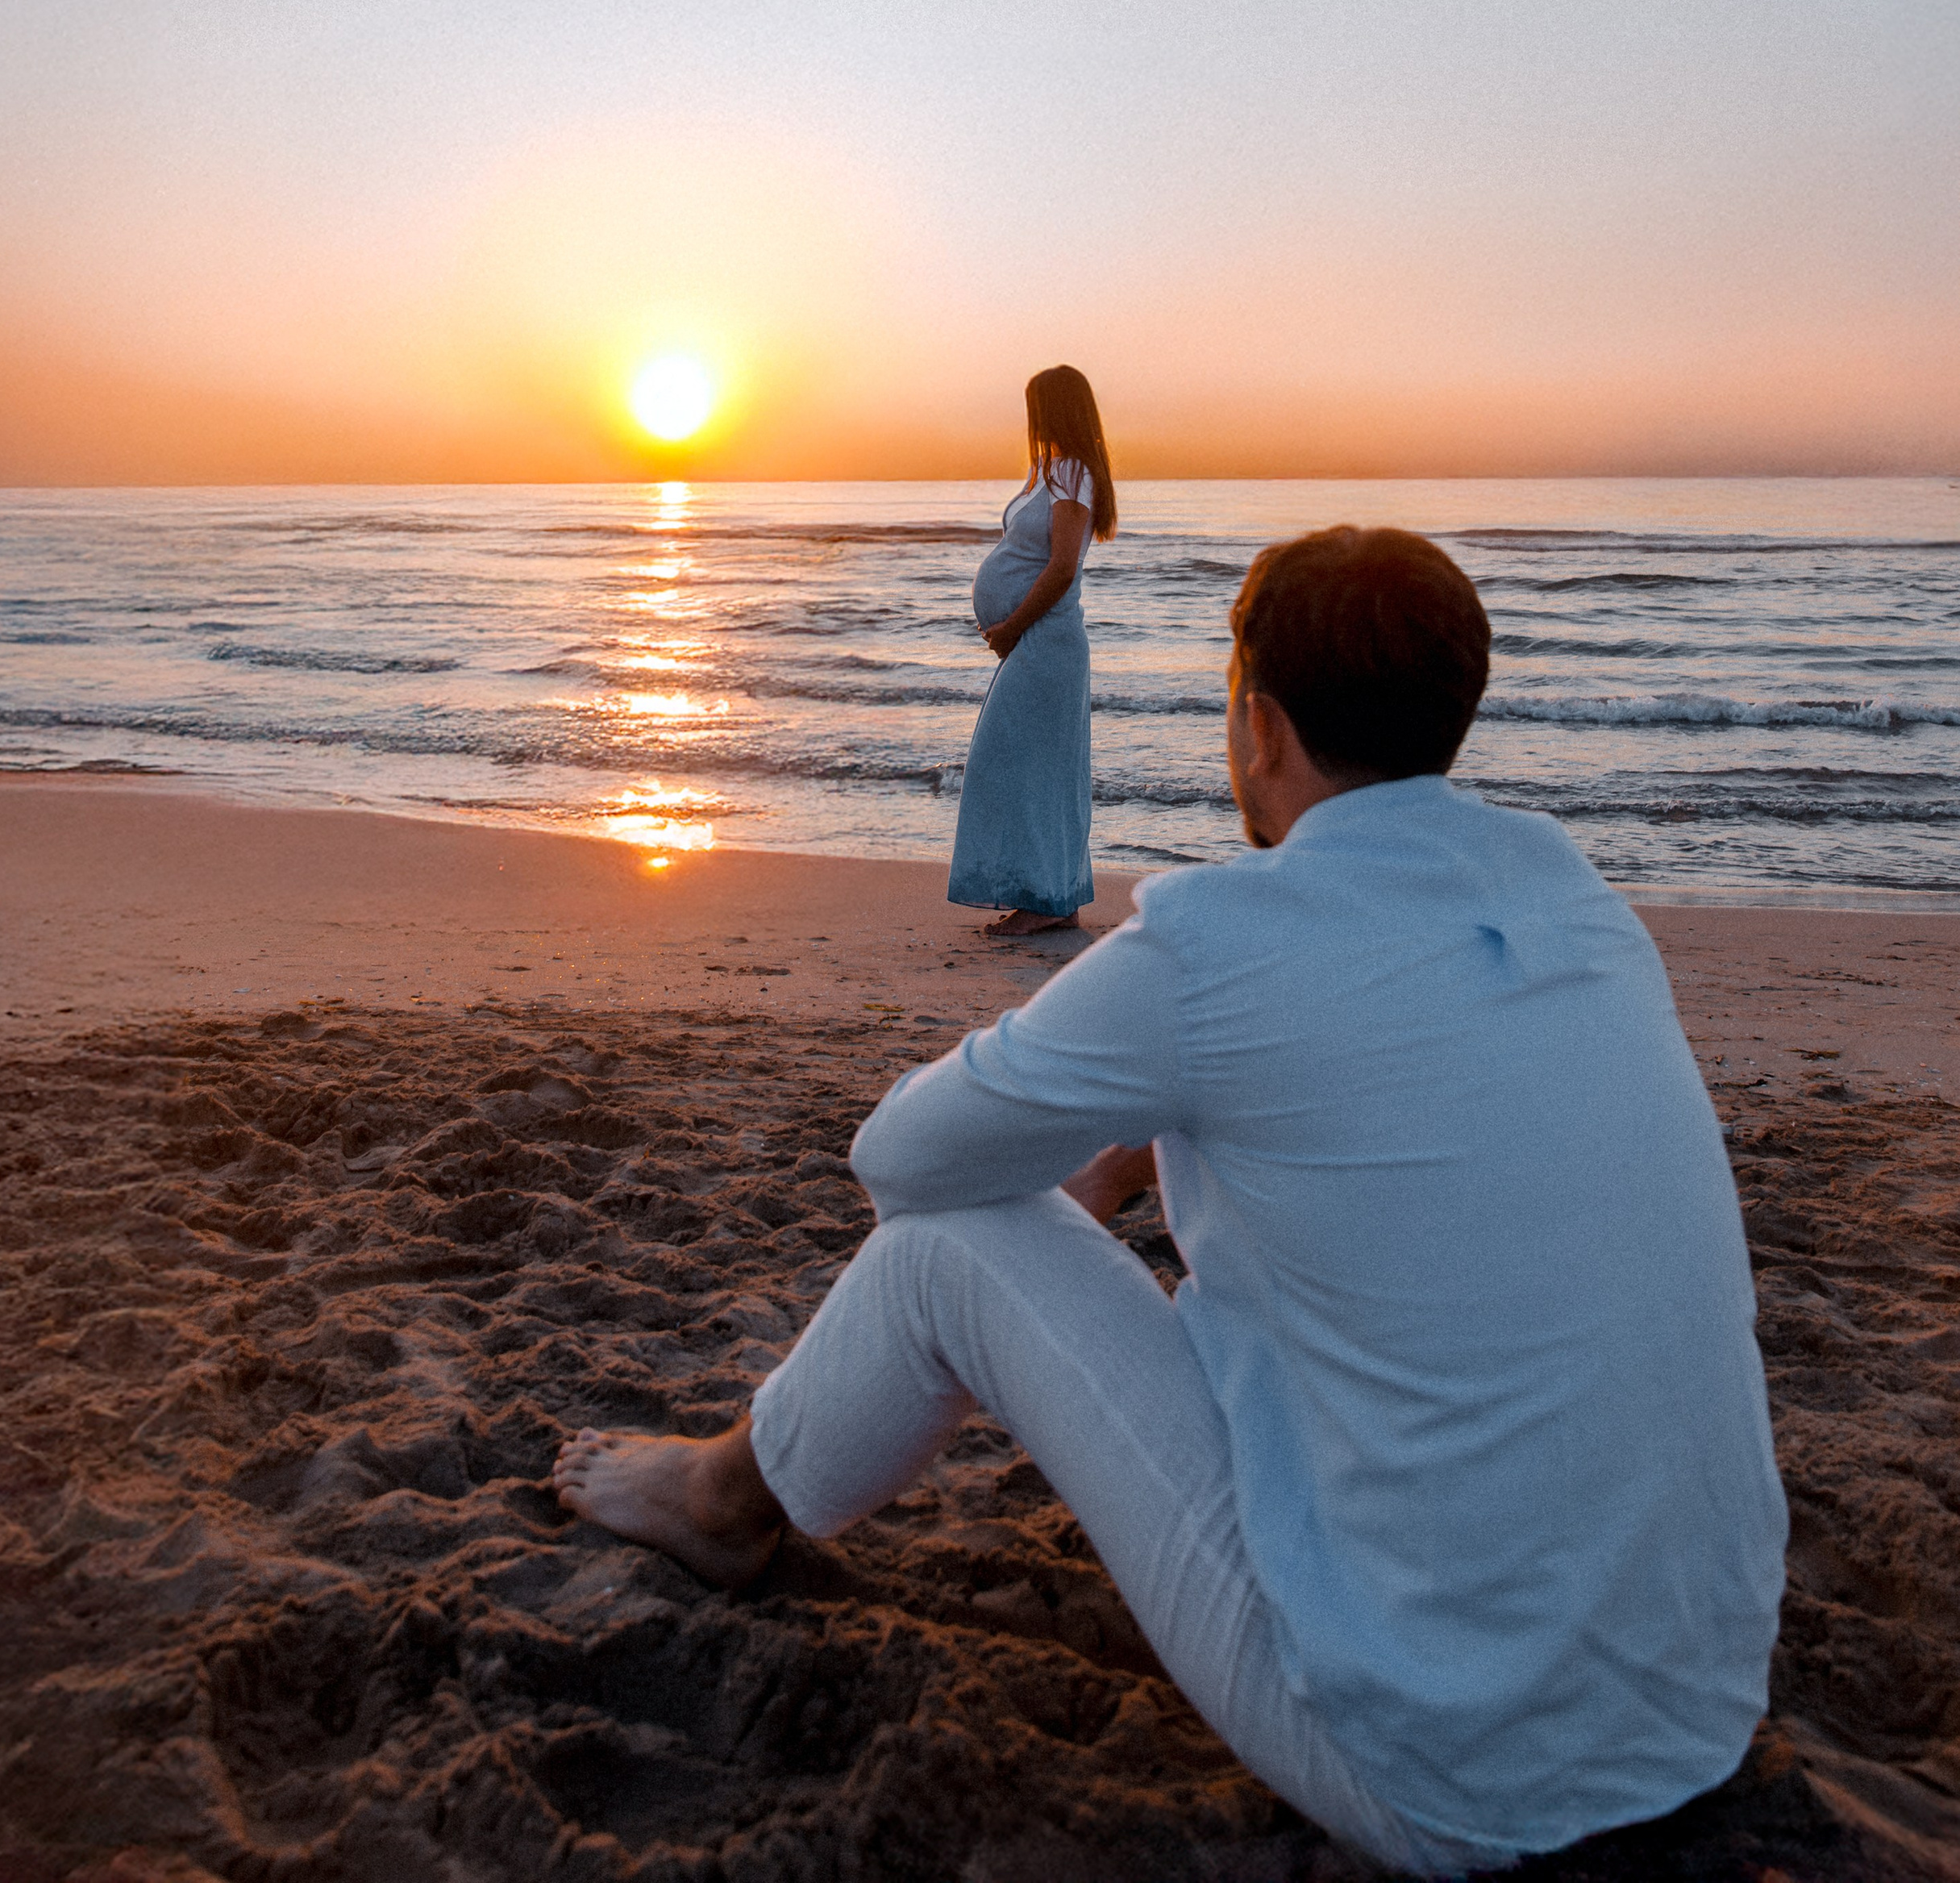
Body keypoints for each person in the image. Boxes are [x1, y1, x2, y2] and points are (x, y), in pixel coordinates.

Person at [551, 526, 1787, 1874]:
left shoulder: (1223, 940)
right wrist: (1148, 1140)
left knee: (944, 1249)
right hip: (1695, 1712)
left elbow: (902, 1162)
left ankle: (725, 1500)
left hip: (1443, 1771)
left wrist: (1119, 1119)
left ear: (1260, 725)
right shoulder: (1576, 905)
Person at [945, 363, 1117, 940]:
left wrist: (1013, 625)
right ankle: (1052, 897)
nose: (1031, 418)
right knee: (1035, 766)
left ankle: (1046, 901)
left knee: (1017, 763)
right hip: (1036, 639)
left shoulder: (1072, 472)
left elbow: (1063, 568)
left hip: (1047, 639)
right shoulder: (1049, 470)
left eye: (1037, 406)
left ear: (1056, 409)